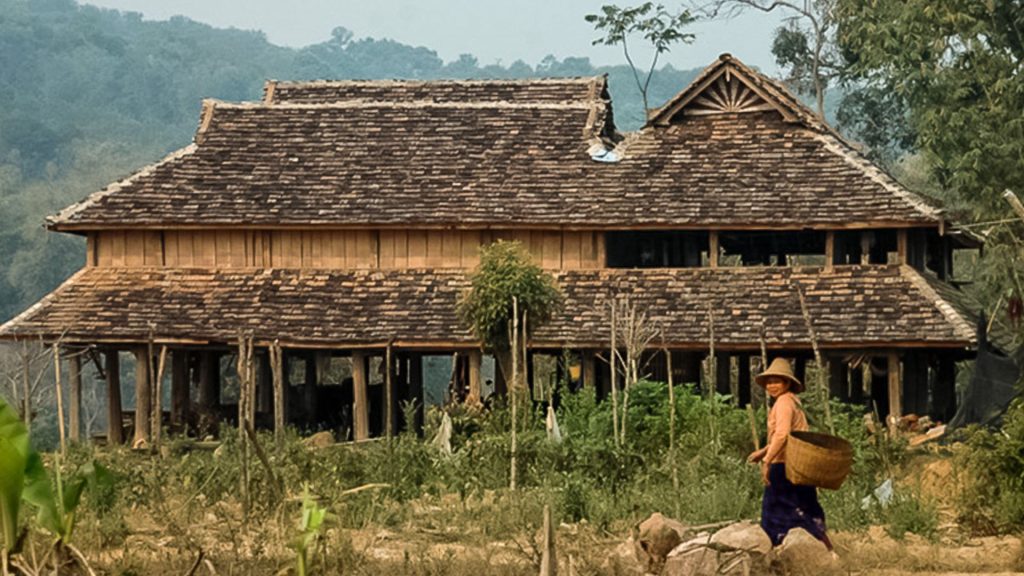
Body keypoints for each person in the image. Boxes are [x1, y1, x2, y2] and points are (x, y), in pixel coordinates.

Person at [747, 357, 833, 550]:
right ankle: (826, 547)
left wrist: (767, 461)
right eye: (769, 382)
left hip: (783, 465)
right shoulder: (793, 401)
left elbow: (783, 434)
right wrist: (763, 451)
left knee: (774, 513)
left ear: (787, 383)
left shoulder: (783, 403)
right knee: (807, 507)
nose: (771, 386)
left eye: (777, 381)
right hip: (799, 464)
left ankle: (775, 554)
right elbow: (787, 435)